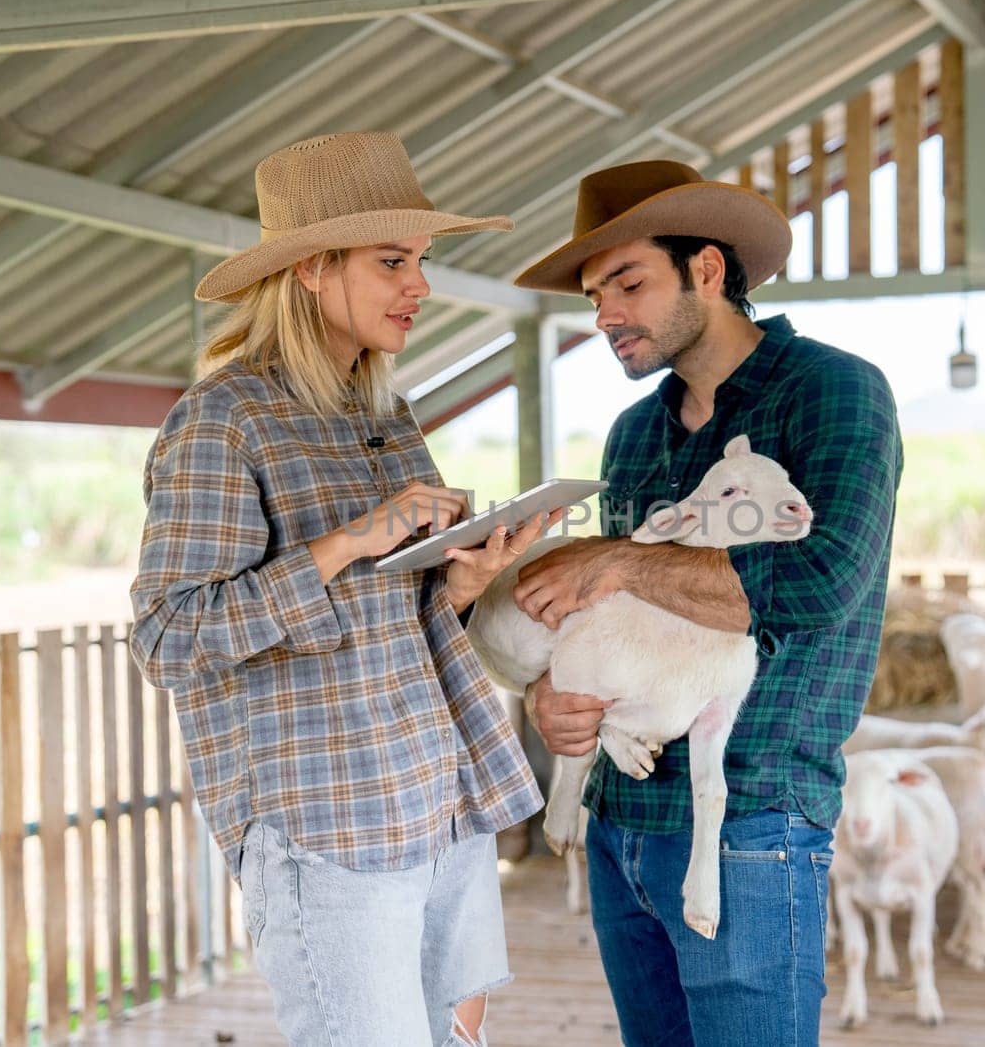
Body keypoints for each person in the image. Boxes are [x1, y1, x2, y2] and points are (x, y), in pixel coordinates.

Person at [130, 132, 551, 1047]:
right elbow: (167, 636)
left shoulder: (386, 415)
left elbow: (393, 610)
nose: (421, 287)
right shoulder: (223, 419)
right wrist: (348, 540)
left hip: (441, 792)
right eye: (392, 261)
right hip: (329, 824)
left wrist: (463, 581)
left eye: (423, 261)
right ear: (314, 269)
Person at [509, 159, 904, 1044]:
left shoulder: (835, 391)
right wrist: (561, 700)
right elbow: (613, 618)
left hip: (756, 819)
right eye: (594, 294)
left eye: (628, 282)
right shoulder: (635, 434)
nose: (605, 314)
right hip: (621, 825)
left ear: (710, 272)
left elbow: (820, 581)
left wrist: (616, 562)